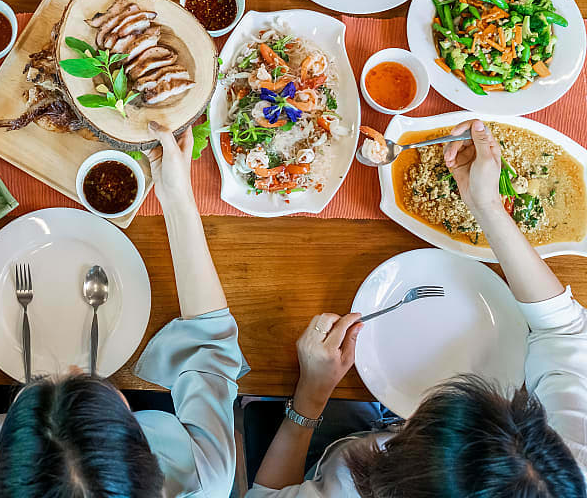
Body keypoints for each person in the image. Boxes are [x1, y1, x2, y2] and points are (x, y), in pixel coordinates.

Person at [0, 124, 246, 498]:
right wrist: (177, 197)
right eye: (90, 384)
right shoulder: (204, 480)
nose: (73, 367)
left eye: (40, 383)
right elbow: (210, 347)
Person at [247, 120, 587, 498]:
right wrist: (487, 205)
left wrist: (309, 397)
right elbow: (563, 330)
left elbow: (264, 494)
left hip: (329, 438)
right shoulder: (566, 466)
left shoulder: (344, 489)